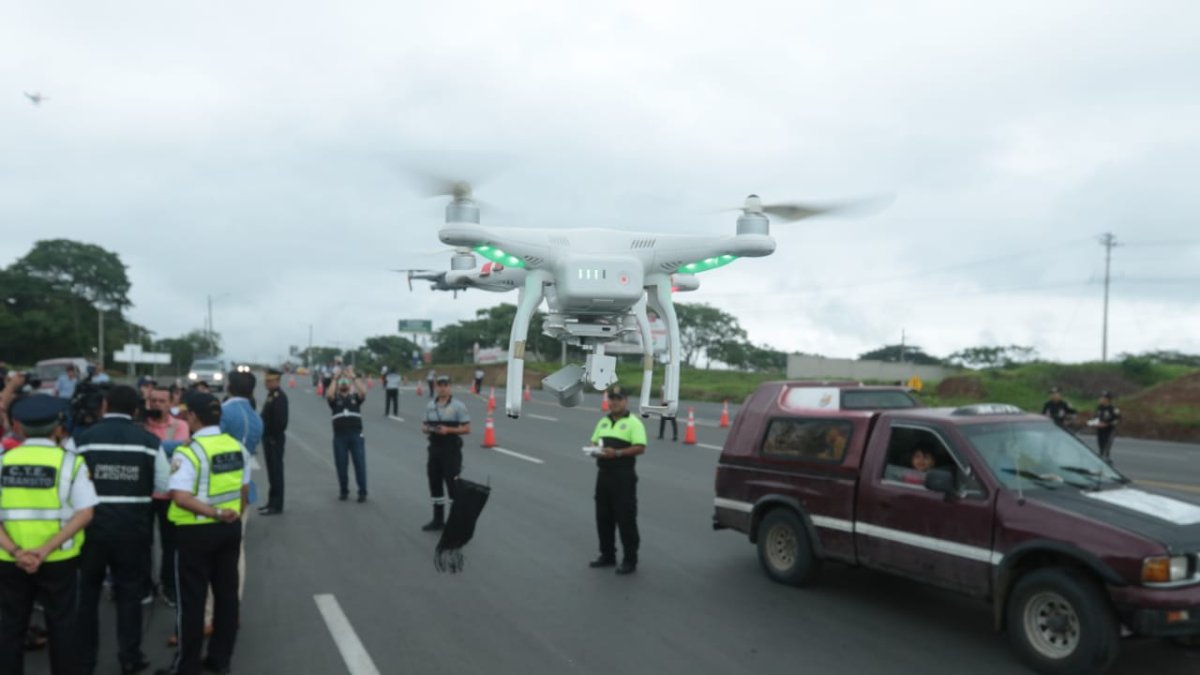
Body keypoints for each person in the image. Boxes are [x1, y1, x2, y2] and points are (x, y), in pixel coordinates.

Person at [75, 385, 171, 675]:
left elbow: (70, 484)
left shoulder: (84, 440)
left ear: (105, 405)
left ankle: (84, 660)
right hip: (133, 530)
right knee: (129, 595)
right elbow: (164, 485)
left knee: (88, 594)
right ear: (136, 410)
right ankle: (129, 657)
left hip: (92, 530)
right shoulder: (148, 442)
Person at [0, 395, 98, 675]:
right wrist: (43, 552)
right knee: (63, 626)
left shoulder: (3, 462)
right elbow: (85, 514)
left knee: (10, 626)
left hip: (9, 559)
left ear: (17, 427)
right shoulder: (71, 464)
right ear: (58, 427)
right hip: (59, 559)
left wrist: (19, 552)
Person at [154, 392, 249, 675]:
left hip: (196, 532)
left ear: (193, 416)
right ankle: (220, 660)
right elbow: (243, 491)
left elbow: (180, 497)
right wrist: (231, 518)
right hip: (229, 530)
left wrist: (215, 514)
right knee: (226, 596)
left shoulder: (189, 452)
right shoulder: (236, 447)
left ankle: (188, 666)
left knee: (192, 600)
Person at [587, 386, 646, 575]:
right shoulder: (603, 422)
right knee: (603, 517)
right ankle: (607, 555)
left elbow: (640, 447)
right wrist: (594, 450)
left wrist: (618, 453)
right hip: (603, 475)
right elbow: (594, 442)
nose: (614, 402)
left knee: (625, 518)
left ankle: (630, 559)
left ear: (625, 401)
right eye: (611, 398)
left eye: (618, 399)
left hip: (623, 476)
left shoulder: (633, 423)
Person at [145, 386, 190, 609]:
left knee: (170, 544)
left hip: (169, 494)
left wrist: (151, 445)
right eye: (153, 401)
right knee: (144, 542)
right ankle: (147, 584)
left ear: (170, 403)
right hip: (144, 493)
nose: (157, 405)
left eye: (162, 401)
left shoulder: (180, 425)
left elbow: (181, 450)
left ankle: (169, 585)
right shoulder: (141, 425)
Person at [421, 375, 471, 531]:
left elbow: (467, 428)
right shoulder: (430, 405)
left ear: (450, 387)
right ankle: (438, 519)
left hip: (451, 450)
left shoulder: (458, 406)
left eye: (445, 385)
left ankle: (455, 522)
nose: (442, 388)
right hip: (434, 448)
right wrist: (429, 429)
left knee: (452, 486)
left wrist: (448, 430)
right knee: (434, 484)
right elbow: (423, 426)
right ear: (436, 387)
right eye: (440, 385)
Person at [327, 368, 368, 502]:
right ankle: (343, 490)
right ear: (339, 385)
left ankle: (362, 492)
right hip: (340, 437)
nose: (344, 383)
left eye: (346, 381)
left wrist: (354, 378)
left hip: (356, 435)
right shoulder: (334, 400)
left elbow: (364, 392)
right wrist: (335, 378)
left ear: (349, 384)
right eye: (342, 381)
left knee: (359, 464)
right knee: (341, 465)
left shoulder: (355, 398)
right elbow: (329, 394)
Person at [259, 369, 288, 515]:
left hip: (274, 439)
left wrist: (272, 437)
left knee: (276, 472)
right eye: (266, 380)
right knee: (271, 473)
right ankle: (271, 502)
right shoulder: (271, 396)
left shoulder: (279, 397)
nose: (266, 383)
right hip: (269, 438)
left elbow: (281, 422)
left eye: (269, 381)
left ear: (277, 381)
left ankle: (276, 505)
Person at [1093, 391, 1121, 461]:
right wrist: (1095, 423)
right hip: (1100, 429)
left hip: (1109, 430)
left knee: (1107, 444)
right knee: (1100, 444)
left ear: (1107, 399)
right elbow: (1096, 417)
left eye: (1102, 398)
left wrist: (1107, 424)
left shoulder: (1113, 409)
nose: (1100, 400)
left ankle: (1106, 457)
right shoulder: (1099, 408)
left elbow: (1117, 420)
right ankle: (1101, 455)